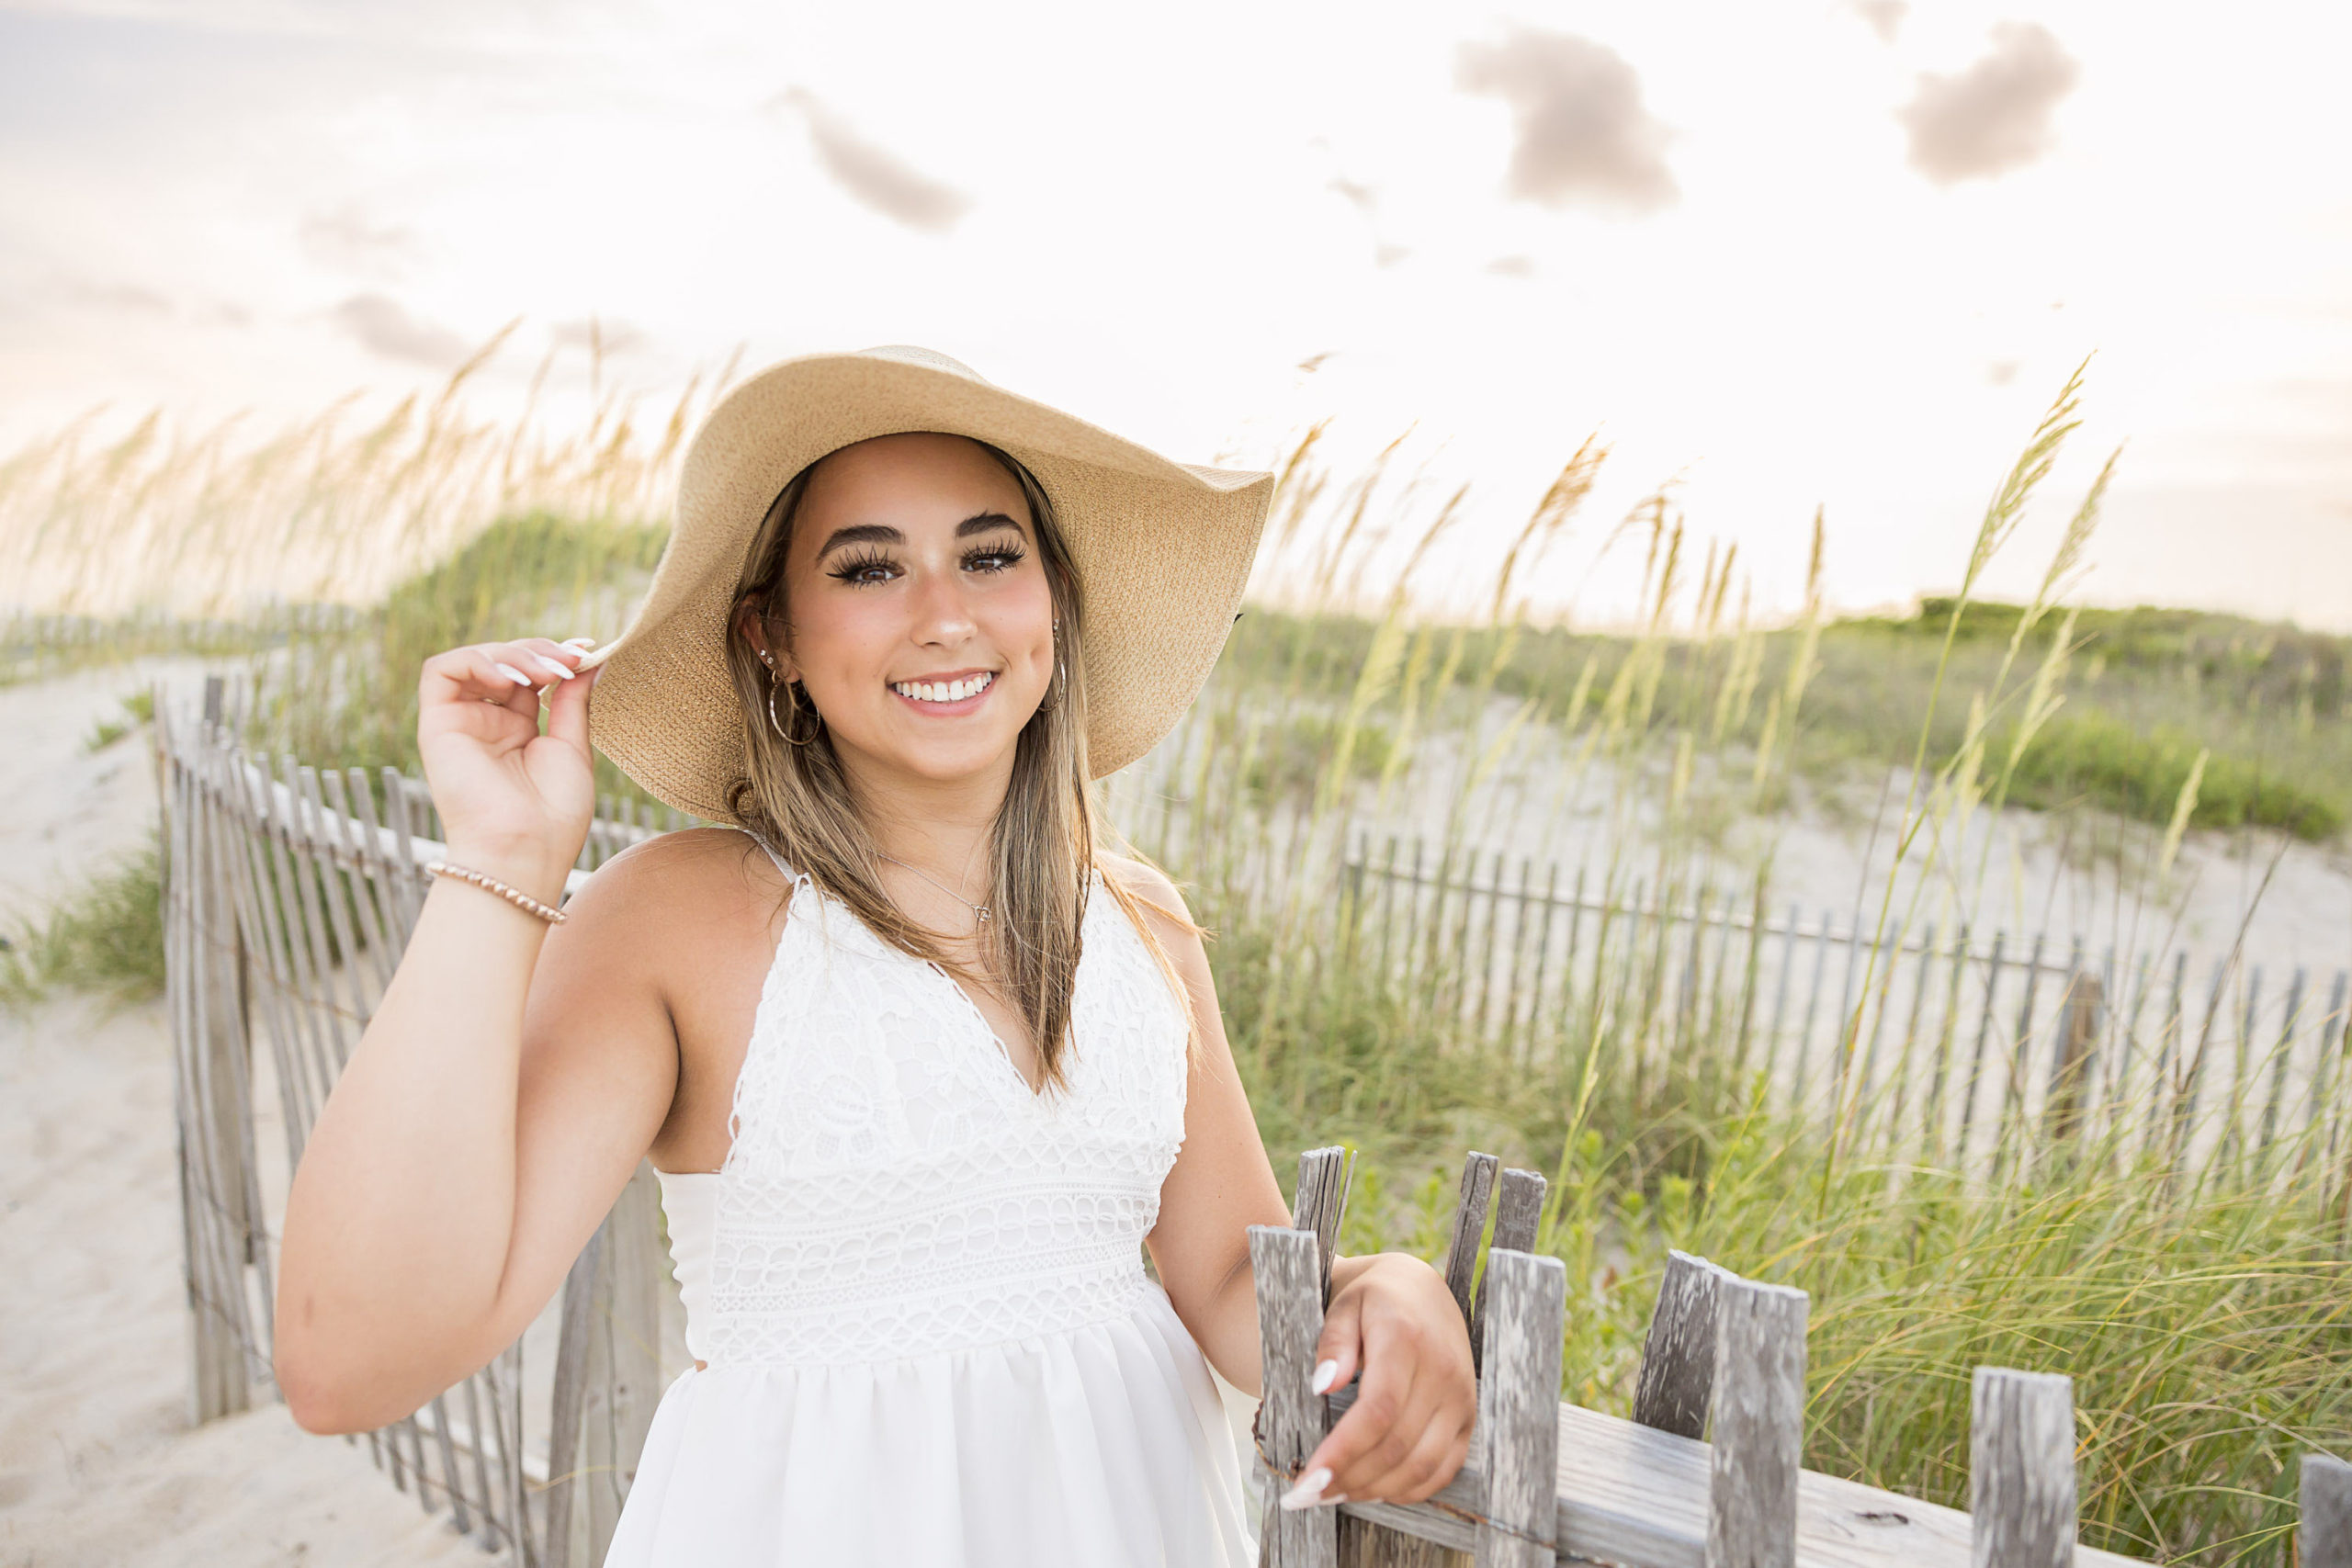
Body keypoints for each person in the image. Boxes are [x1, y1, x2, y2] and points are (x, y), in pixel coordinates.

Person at [272, 344, 1476, 1565]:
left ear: (1051, 599)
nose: (944, 614)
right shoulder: (680, 920)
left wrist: (1381, 1288)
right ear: (773, 637)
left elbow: (1232, 1287)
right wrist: (504, 858)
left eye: (990, 555)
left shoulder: (1143, 926)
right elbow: (346, 1361)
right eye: (868, 568)